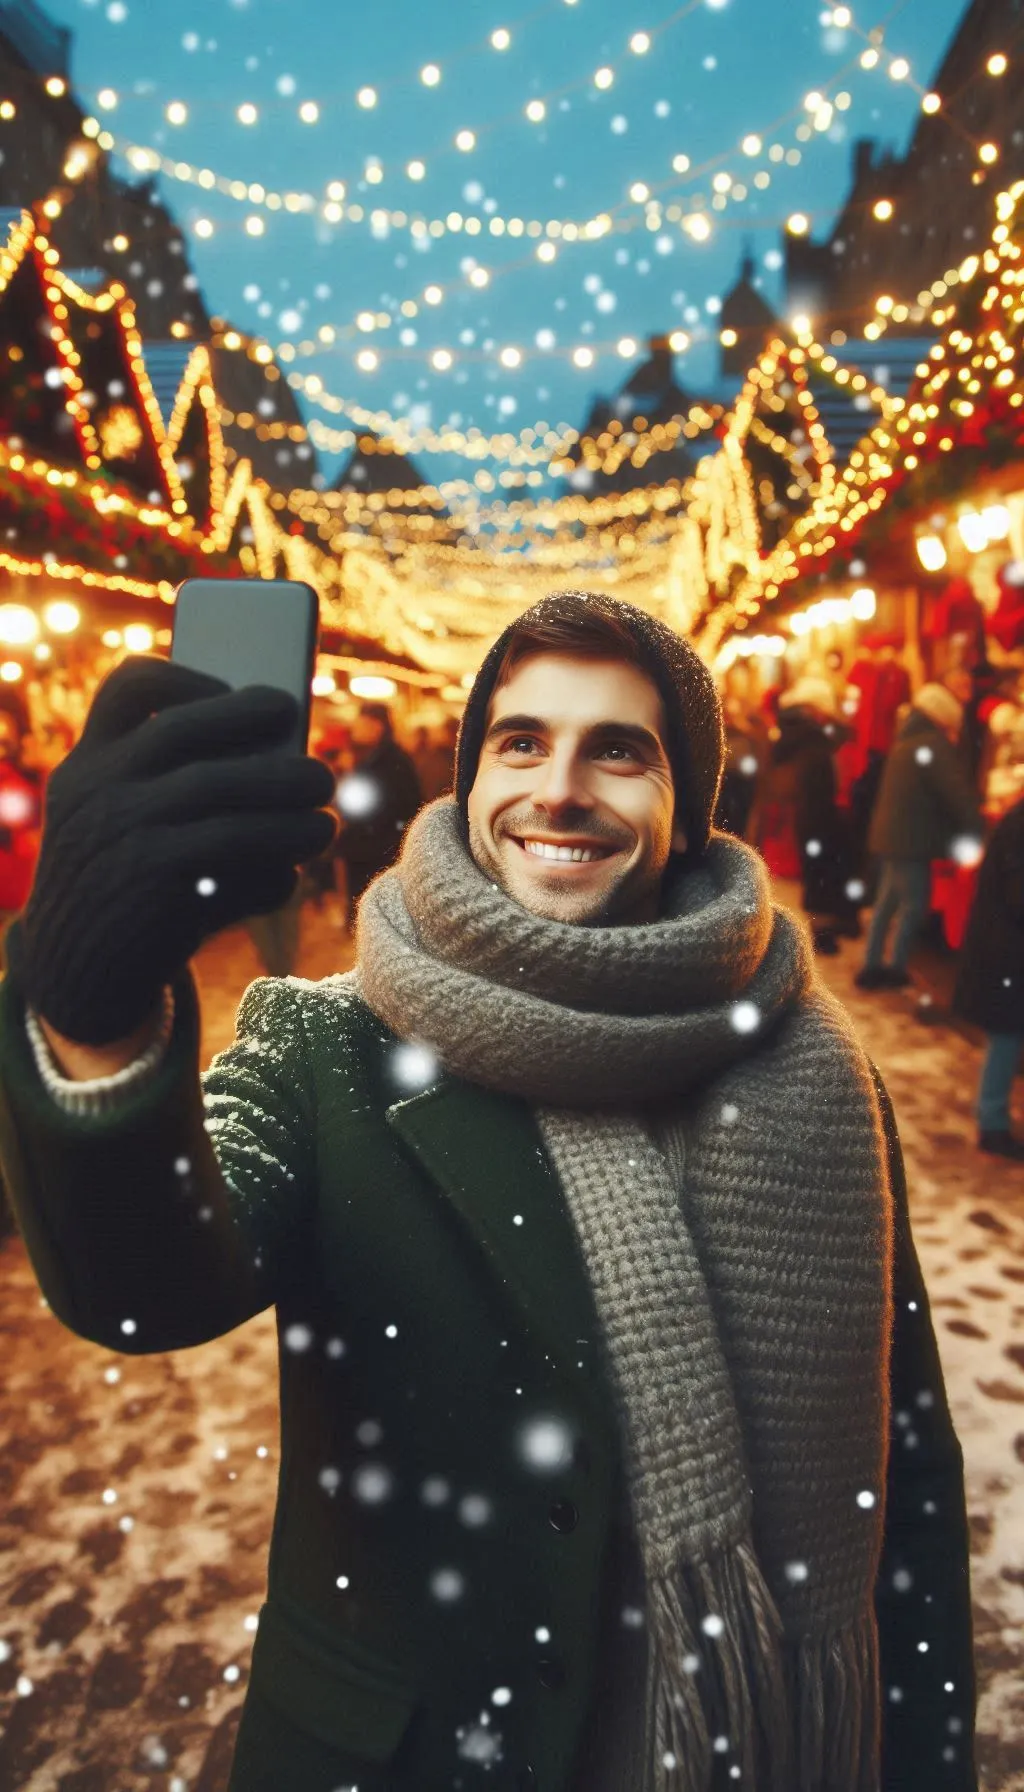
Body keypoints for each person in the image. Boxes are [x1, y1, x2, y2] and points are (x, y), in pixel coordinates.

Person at [0, 597, 976, 1792]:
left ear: (688, 808)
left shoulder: (815, 1074)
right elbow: (144, 1287)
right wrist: (91, 1023)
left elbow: (906, 1468)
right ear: (470, 782)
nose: (558, 789)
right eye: (520, 742)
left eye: (617, 749)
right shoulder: (326, 1046)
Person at [856, 683, 983, 992]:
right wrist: (977, 826)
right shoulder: (931, 745)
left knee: (887, 903)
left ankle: (872, 964)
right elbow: (955, 795)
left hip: (894, 837)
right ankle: (895, 969)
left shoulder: (906, 740)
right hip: (911, 841)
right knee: (914, 905)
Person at [952, 794, 1024, 1161]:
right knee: (1006, 1035)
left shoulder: (1015, 819)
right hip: (1007, 953)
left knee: (1007, 1036)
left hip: (1005, 949)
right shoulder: (1019, 825)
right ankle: (992, 1123)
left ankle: (993, 1115)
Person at [771, 675, 858, 955]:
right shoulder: (813, 740)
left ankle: (824, 929)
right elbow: (817, 783)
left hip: (810, 815)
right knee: (820, 875)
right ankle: (822, 933)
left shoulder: (800, 735)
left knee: (818, 874)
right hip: (816, 816)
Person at [333, 703, 422, 919]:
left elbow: (404, 806)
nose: (355, 729)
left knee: (375, 913)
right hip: (370, 847)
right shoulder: (367, 757)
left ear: (377, 726)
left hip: (377, 850)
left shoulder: (391, 762)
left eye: (361, 723)